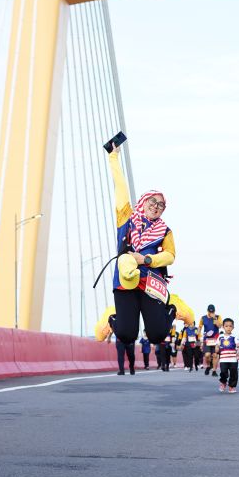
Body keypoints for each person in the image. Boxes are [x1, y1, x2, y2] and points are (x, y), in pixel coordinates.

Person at [106, 144, 178, 344]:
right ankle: (112, 318)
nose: (156, 206)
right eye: (152, 202)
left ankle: (172, 308)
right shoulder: (126, 218)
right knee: (126, 335)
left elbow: (170, 256)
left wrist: (146, 259)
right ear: (144, 201)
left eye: (161, 205)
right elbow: (120, 187)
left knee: (157, 335)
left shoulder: (165, 230)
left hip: (150, 282)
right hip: (125, 281)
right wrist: (113, 157)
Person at [198, 305, 222, 376]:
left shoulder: (218, 317)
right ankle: (208, 366)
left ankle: (214, 371)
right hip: (207, 339)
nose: (211, 313)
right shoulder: (203, 318)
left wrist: (214, 318)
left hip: (215, 339)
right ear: (207, 311)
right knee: (207, 355)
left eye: (212, 312)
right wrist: (198, 334)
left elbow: (220, 326)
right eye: (210, 311)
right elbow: (200, 327)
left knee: (215, 355)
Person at [216, 318, 238, 393]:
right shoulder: (220, 336)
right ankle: (223, 382)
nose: (228, 328)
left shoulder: (234, 337)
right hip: (223, 359)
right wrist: (216, 348)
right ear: (223, 327)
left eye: (230, 326)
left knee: (233, 373)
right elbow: (217, 345)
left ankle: (232, 386)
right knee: (223, 372)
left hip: (233, 359)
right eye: (226, 326)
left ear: (233, 327)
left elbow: (238, 344)